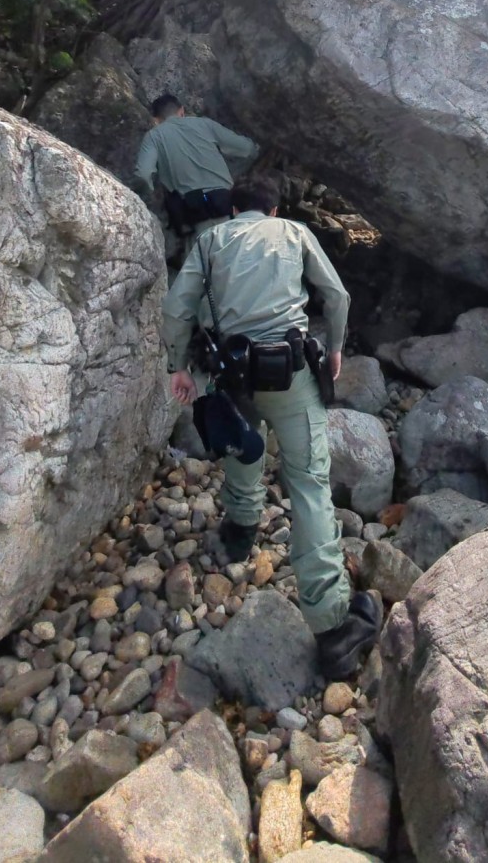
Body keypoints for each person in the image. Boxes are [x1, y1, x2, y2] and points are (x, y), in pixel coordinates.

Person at [162, 172, 380, 681]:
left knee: (243, 445)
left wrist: (178, 365)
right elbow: (337, 296)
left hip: (228, 370)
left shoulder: (210, 239)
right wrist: (338, 348)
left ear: (234, 211)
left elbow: (177, 308)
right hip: (291, 372)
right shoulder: (295, 235)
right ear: (276, 211)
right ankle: (332, 628)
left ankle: (240, 529)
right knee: (307, 482)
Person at [134, 93, 259, 240]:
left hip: (195, 215)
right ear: (181, 111)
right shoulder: (205, 124)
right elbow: (244, 147)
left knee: (202, 259)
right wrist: (256, 149)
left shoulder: (154, 136)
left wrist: (147, 198)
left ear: (155, 119)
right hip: (227, 207)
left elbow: (143, 173)